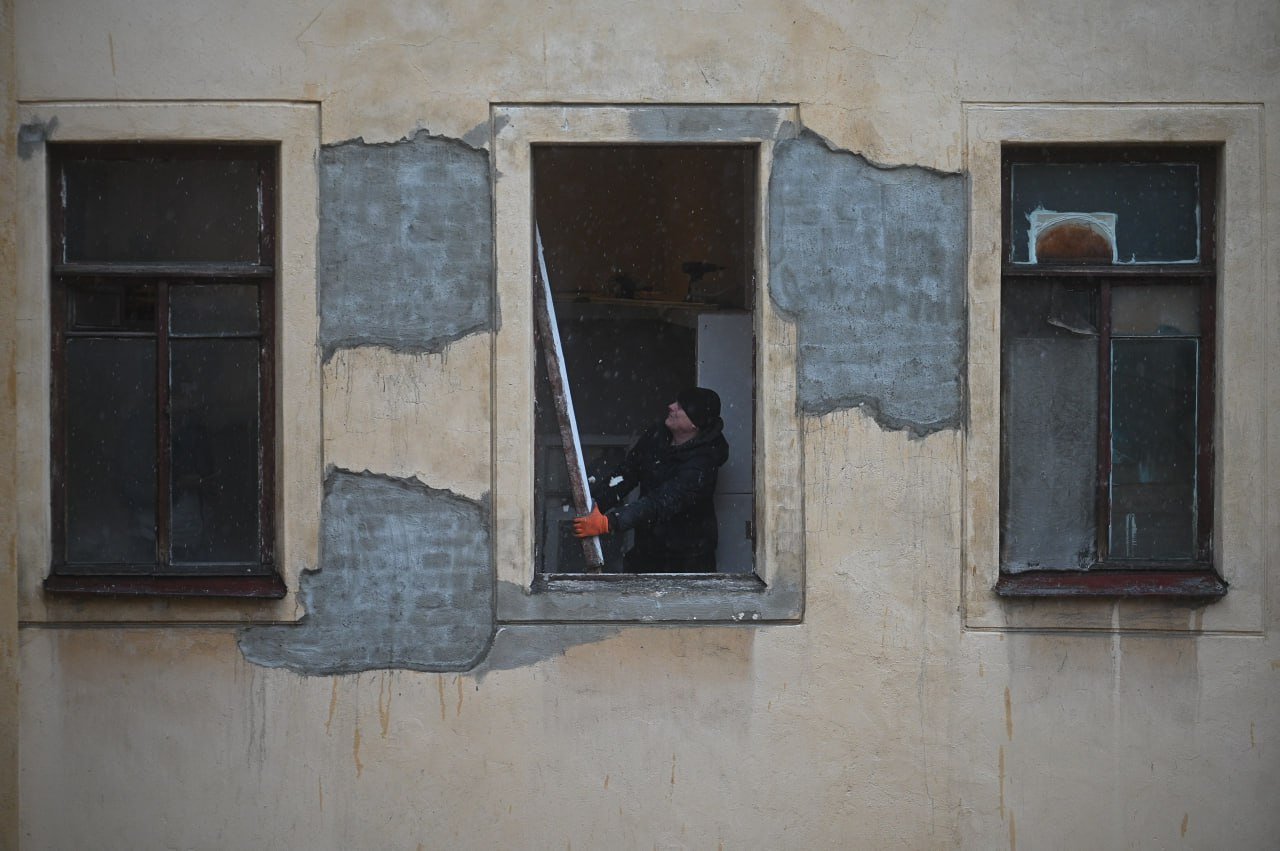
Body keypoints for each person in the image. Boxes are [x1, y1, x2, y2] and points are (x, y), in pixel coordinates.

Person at [573, 387, 729, 573]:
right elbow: (628, 473)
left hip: (687, 561)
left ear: (694, 423)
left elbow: (660, 502)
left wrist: (610, 522)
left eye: (680, 407)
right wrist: (596, 503)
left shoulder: (703, 464)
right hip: (648, 550)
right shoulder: (658, 436)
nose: (671, 406)